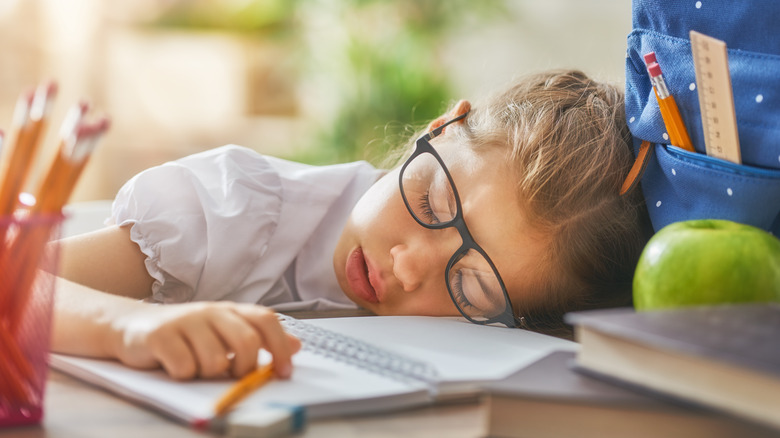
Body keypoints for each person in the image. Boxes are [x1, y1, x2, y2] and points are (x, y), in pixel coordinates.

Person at [51, 69, 653, 381]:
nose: (411, 265)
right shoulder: (239, 207)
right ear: (441, 127)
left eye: (471, 286)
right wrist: (126, 327)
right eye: (430, 199)